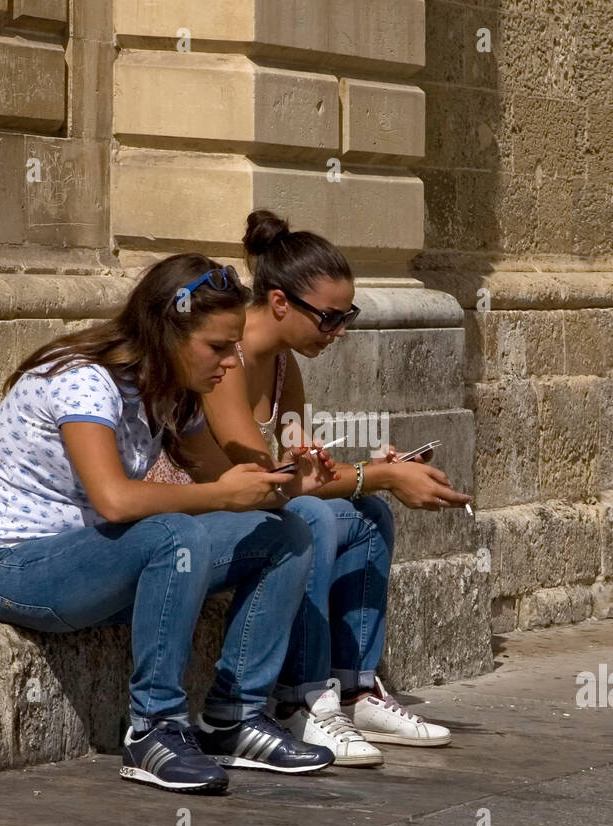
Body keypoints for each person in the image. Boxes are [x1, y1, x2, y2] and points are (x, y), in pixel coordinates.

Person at [0, 253, 335, 795]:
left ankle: (236, 718)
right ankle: (154, 728)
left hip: (100, 557)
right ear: (166, 330)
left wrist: (293, 486)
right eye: (217, 347)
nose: (231, 363)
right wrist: (219, 495)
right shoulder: (84, 381)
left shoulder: (175, 390)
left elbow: (228, 483)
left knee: (288, 534)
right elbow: (115, 500)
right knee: (175, 532)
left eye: (233, 346)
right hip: (12, 567)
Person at [200, 210, 471, 766]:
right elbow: (272, 481)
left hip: (250, 504)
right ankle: (299, 696)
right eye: (328, 318)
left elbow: (296, 463)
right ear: (279, 303)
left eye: (346, 316)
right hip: (204, 508)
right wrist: (383, 474)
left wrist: (362, 471)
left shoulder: (282, 366)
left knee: (367, 515)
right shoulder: (229, 360)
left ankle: (354, 688)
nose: (339, 331)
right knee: (317, 518)